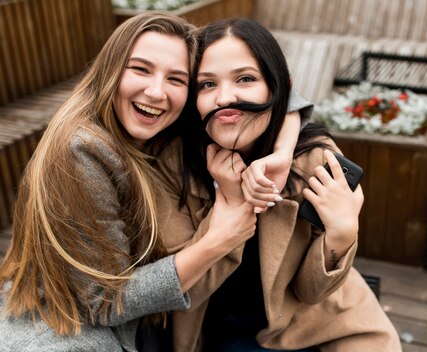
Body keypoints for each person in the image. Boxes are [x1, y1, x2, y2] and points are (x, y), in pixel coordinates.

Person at [0, 12, 311, 352]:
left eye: (177, 79)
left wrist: (282, 150)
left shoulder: (153, 124)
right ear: (110, 70)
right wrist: (219, 239)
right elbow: (104, 303)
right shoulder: (83, 150)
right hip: (70, 332)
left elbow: (276, 93)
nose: (156, 91)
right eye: (141, 69)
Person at [155, 17, 402, 352]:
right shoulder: (173, 165)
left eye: (245, 78)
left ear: (277, 89)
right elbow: (184, 291)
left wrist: (342, 236)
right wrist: (232, 203)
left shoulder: (313, 161)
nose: (225, 97)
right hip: (217, 328)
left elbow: (311, 292)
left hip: (315, 324)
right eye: (207, 84)